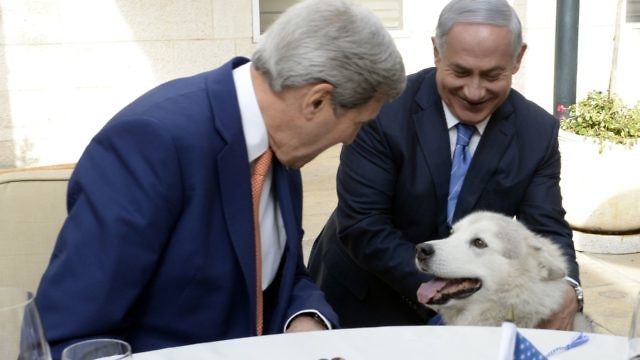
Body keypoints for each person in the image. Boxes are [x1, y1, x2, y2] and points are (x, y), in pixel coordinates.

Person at [35, 0, 406, 358]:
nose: (351, 139)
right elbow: (71, 334)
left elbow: (278, 274)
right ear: (316, 101)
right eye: (357, 123)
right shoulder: (153, 142)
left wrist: (305, 318)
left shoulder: (279, 145)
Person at [308, 0, 583, 330]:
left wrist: (567, 287)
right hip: (364, 303)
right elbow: (364, 225)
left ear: (517, 59)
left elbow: (545, 228)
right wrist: (446, 294)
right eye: (461, 72)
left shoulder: (536, 132)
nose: (475, 91)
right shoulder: (382, 111)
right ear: (437, 52)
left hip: (468, 311)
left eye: (493, 75)